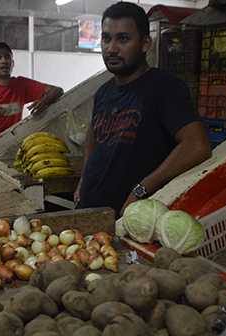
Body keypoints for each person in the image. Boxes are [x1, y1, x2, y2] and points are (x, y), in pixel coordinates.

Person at [74, 1, 212, 219]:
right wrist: (84, 178)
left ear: (145, 43)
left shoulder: (164, 87)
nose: (111, 48)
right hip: (87, 211)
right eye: (106, 39)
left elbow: (198, 145)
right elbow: (93, 136)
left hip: (125, 220)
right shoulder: (103, 92)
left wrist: (142, 189)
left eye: (123, 39)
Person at [0, 42, 64, 151]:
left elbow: (58, 90)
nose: (3, 61)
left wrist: (44, 101)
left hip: (9, 149)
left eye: (7, 57)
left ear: (12, 63)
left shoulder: (21, 85)